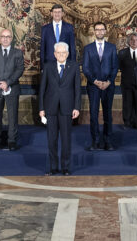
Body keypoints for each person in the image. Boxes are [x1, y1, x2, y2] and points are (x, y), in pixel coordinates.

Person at [39, 42, 81, 175]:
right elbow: (42, 89)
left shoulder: (74, 66)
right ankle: (53, 167)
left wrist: (77, 107)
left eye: (64, 53)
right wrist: (41, 108)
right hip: (50, 108)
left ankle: (65, 168)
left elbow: (77, 89)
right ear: (54, 54)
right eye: (58, 53)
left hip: (67, 108)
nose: (61, 55)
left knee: (66, 139)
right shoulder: (48, 66)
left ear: (67, 54)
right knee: (52, 140)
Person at [82, 22, 119, 151]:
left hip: (109, 86)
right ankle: (95, 141)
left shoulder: (112, 48)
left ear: (105, 31)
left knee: (108, 114)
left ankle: (108, 141)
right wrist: (95, 81)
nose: (99, 32)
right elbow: (85, 68)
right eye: (97, 30)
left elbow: (115, 67)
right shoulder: (88, 48)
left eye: (101, 29)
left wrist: (108, 81)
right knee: (93, 114)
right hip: (93, 86)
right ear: (94, 32)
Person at [0, 29, 25, 150]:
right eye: (3, 36)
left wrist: (7, 82)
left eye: (8, 36)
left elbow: (19, 69)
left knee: (12, 116)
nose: (5, 39)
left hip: (12, 88)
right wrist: (0, 82)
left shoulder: (17, 53)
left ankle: (12, 140)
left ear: (11, 38)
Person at [118, 33, 137, 129]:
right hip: (126, 83)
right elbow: (120, 67)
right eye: (132, 40)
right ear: (128, 42)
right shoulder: (122, 53)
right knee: (127, 103)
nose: (134, 42)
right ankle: (127, 123)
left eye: (136, 40)